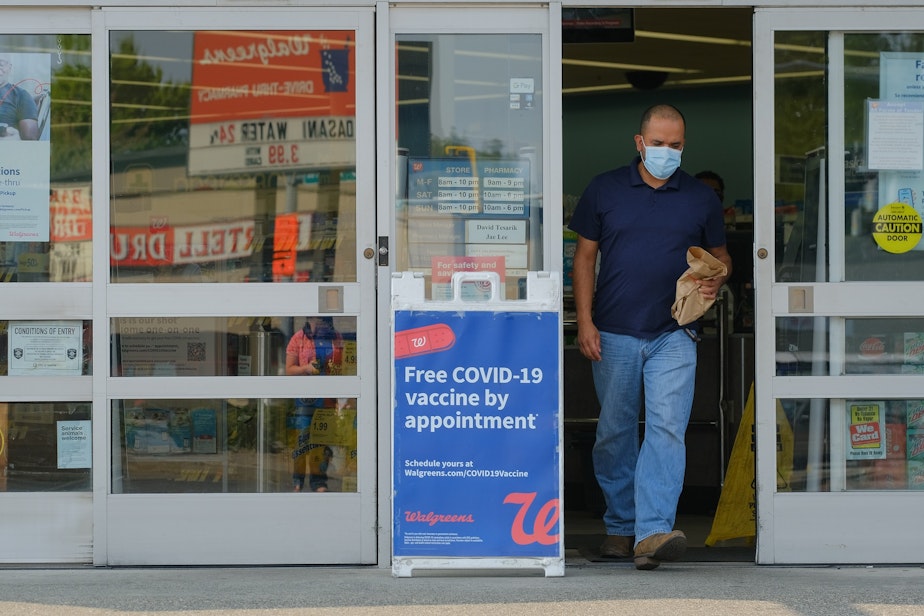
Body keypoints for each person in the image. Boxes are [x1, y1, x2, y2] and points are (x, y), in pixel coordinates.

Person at [568, 104, 732, 570]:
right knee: (614, 433)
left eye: (675, 145)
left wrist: (715, 279)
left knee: (666, 430)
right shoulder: (605, 189)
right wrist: (586, 321)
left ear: (684, 145)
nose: (666, 151)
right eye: (658, 144)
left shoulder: (700, 197)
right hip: (614, 331)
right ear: (639, 143)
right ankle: (620, 527)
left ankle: (653, 531)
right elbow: (584, 260)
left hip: (675, 332)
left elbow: (722, 259)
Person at [285, 317, 343, 492]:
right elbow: (289, 370)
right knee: (302, 441)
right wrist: (306, 369)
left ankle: (319, 481)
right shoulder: (299, 338)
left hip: (328, 399)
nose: (319, 324)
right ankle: (298, 480)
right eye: (316, 320)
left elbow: (344, 365)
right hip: (305, 400)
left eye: (322, 320)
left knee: (322, 442)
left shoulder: (336, 337)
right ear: (309, 320)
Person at [0, 54, 39, 141]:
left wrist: (16, 139)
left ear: (9, 68)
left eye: (1, 64)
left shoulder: (21, 96)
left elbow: (30, 140)